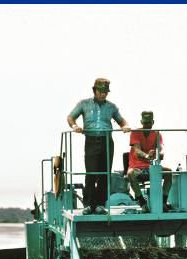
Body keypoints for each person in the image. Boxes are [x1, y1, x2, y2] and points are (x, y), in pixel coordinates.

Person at [67, 78, 130, 214]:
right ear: (94, 90)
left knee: (104, 173)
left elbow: (121, 120)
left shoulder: (111, 107)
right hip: (91, 140)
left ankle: (101, 204)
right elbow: (71, 117)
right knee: (91, 172)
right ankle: (89, 205)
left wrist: (125, 126)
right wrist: (75, 126)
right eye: (101, 91)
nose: (103, 94)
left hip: (107, 141)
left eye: (105, 92)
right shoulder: (84, 104)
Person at [128, 111, 172, 213]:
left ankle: (163, 202)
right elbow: (137, 150)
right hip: (137, 167)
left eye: (149, 123)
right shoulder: (135, 132)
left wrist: (160, 152)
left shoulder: (157, 134)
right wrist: (147, 155)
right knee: (130, 174)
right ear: (141, 122)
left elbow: (161, 147)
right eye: (145, 123)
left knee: (169, 173)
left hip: (151, 167)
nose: (147, 125)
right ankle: (142, 202)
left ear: (153, 122)